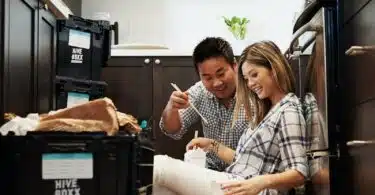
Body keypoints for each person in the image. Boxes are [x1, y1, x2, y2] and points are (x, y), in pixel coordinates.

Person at [153, 41, 308, 195]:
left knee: (159, 166)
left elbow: (299, 173)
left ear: (274, 69)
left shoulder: (287, 110)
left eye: (254, 75)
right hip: (232, 178)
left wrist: (260, 182)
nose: (251, 84)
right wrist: (211, 144)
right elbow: (241, 160)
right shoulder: (267, 108)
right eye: (247, 79)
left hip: (243, 185)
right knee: (163, 180)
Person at [159, 37, 249, 171]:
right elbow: (173, 130)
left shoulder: (253, 91)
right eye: (207, 78)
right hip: (209, 170)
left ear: (234, 65)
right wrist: (171, 108)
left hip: (245, 173)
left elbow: (257, 160)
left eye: (221, 73)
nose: (217, 83)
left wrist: (212, 145)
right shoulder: (200, 91)